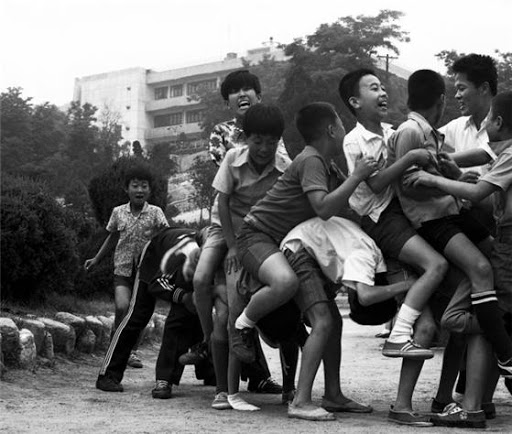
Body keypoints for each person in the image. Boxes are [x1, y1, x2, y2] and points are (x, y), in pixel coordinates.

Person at [232, 102, 376, 420]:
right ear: (331, 129)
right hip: (257, 236)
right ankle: (243, 327)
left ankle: (333, 394)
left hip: (288, 243)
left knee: (332, 321)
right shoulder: (311, 159)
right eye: (341, 123)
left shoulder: (326, 165)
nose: (344, 129)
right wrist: (358, 175)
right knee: (288, 284)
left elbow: (348, 204)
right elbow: (323, 207)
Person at [389, 69, 512, 389]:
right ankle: (503, 352)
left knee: (490, 266)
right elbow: (409, 184)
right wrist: (447, 178)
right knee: (482, 270)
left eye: (463, 87)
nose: (457, 96)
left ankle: (464, 386)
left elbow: (475, 186)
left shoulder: (434, 135)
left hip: (456, 213)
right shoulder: (413, 132)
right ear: (441, 99)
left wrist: (446, 177)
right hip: (435, 219)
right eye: (453, 90)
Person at [190, 69, 290, 395]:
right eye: (235, 91)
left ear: (259, 96)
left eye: (248, 89)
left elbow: (284, 174)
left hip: (260, 226)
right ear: (228, 101)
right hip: (227, 224)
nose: (242, 94)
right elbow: (227, 190)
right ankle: (206, 341)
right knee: (202, 279)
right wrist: (233, 244)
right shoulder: (223, 136)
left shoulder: (274, 136)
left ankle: (275, 372)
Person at [339, 68, 448, 359]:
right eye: (373, 88)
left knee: (427, 324)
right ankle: (397, 335)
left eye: (382, 88)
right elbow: (375, 184)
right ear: (355, 102)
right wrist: (410, 156)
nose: (383, 93)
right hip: (381, 219)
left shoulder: (393, 132)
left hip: (402, 214)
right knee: (436, 265)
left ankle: (406, 357)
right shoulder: (354, 140)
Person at [95, 227, 212, 397]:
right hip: (154, 257)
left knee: (196, 312)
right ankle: (108, 374)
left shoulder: (219, 253)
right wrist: (183, 296)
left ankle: (209, 371)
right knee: (137, 315)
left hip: (179, 257)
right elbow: (156, 284)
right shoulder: (181, 255)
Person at [85, 165, 168, 368]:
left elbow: (166, 236)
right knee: (122, 307)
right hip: (122, 269)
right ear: (126, 189)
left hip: (146, 272)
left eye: (144, 186)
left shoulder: (156, 213)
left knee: (138, 313)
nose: (139, 190)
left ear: (149, 190)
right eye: (135, 186)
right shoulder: (118, 212)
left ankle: (132, 352)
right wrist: (96, 258)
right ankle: (115, 348)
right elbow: (112, 236)